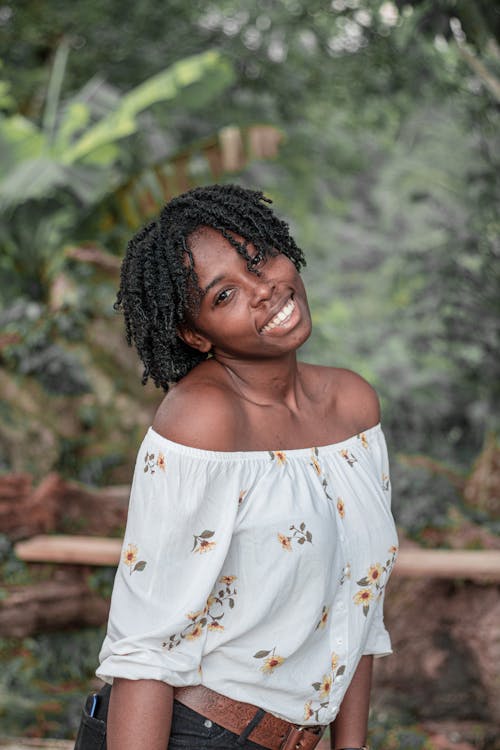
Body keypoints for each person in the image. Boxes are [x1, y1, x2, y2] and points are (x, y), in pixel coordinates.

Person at [96, 184, 399, 750]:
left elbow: (359, 606)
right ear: (194, 334)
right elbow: (145, 648)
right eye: (224, 296)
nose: (264, 290)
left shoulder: (353, 406)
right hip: (196, 735)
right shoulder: (202, 421)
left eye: (258, 259)